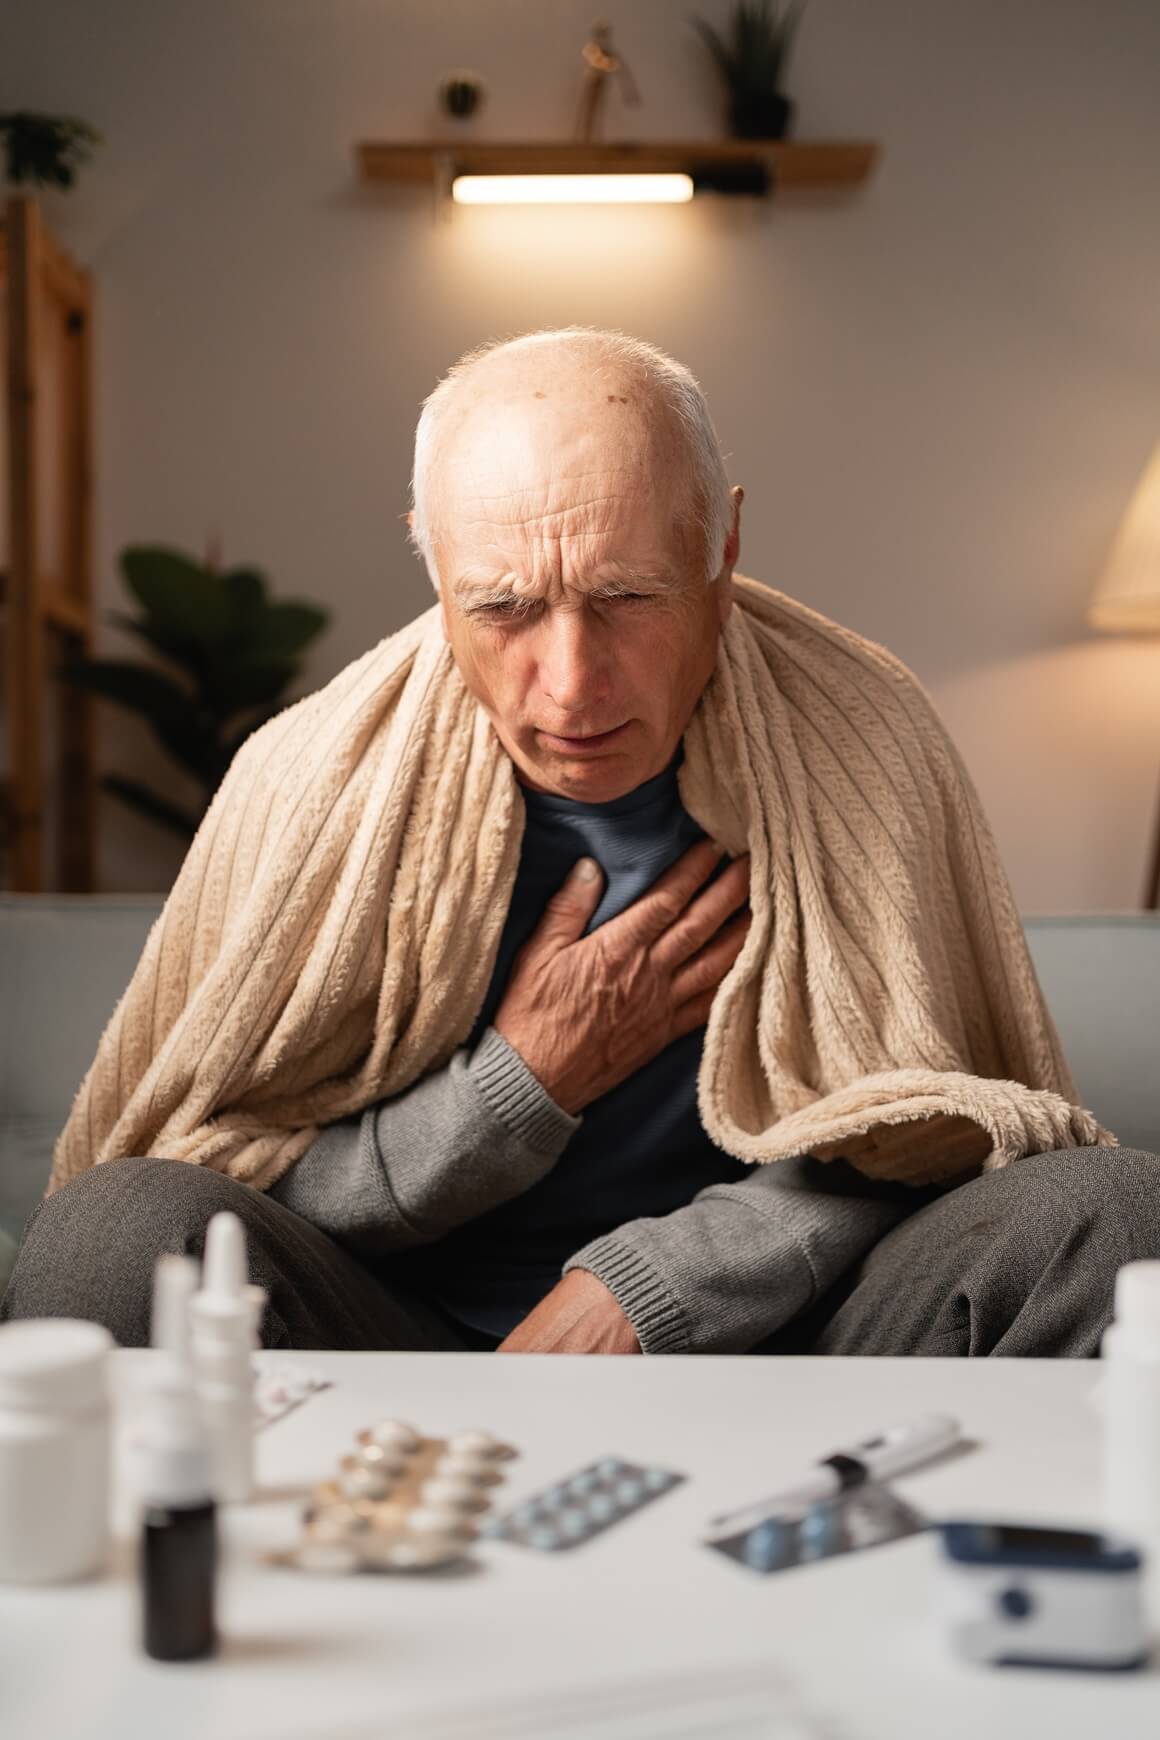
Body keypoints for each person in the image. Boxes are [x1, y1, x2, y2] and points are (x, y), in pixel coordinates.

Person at [4, 327, 1158, 1356]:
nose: (569, 685)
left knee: (1113, 1215)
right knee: (114, 1233)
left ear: (723, 543)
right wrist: (519, 1085)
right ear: (430, 558)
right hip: (397, 1338)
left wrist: (653, 1284)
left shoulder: (858, 729)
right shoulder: (309, 777)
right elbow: (227, 1169)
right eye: (500, 607)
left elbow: (936, 1134)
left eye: (626, 597)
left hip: (793, 1332)